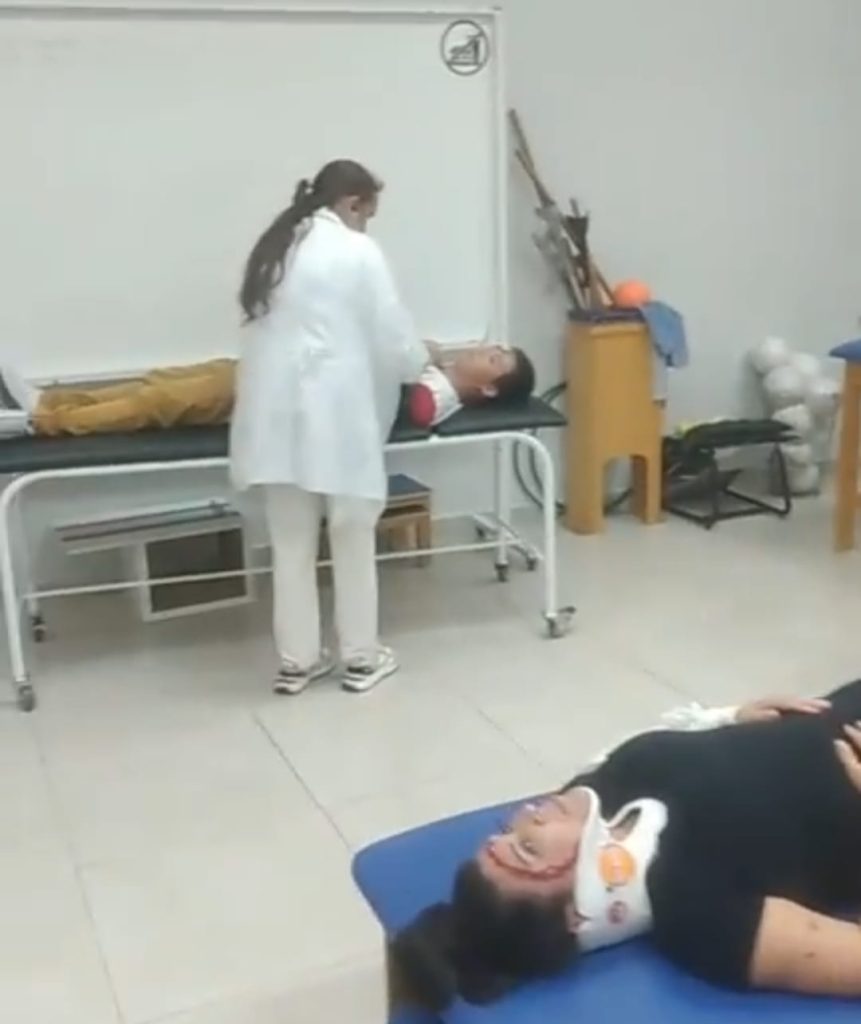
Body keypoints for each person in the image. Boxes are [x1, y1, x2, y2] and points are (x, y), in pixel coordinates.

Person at [392, 681, 861, 1009]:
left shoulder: (596, 796)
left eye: (508, 830)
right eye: (528, 848)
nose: (528, 816)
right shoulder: (702, 919)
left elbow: (676, 743)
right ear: (579, 913)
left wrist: (729, 718)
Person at [0, 345, 535, 438]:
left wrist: (411, 359)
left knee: (155, 404)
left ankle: (42, 422)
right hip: (277, 371)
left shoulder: (437, 397)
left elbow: (407, 409)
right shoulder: (435, 371)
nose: (483, 350)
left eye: (493, 359)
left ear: (488, 389)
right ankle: (49, 403)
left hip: (277, 397)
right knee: (158, 383)